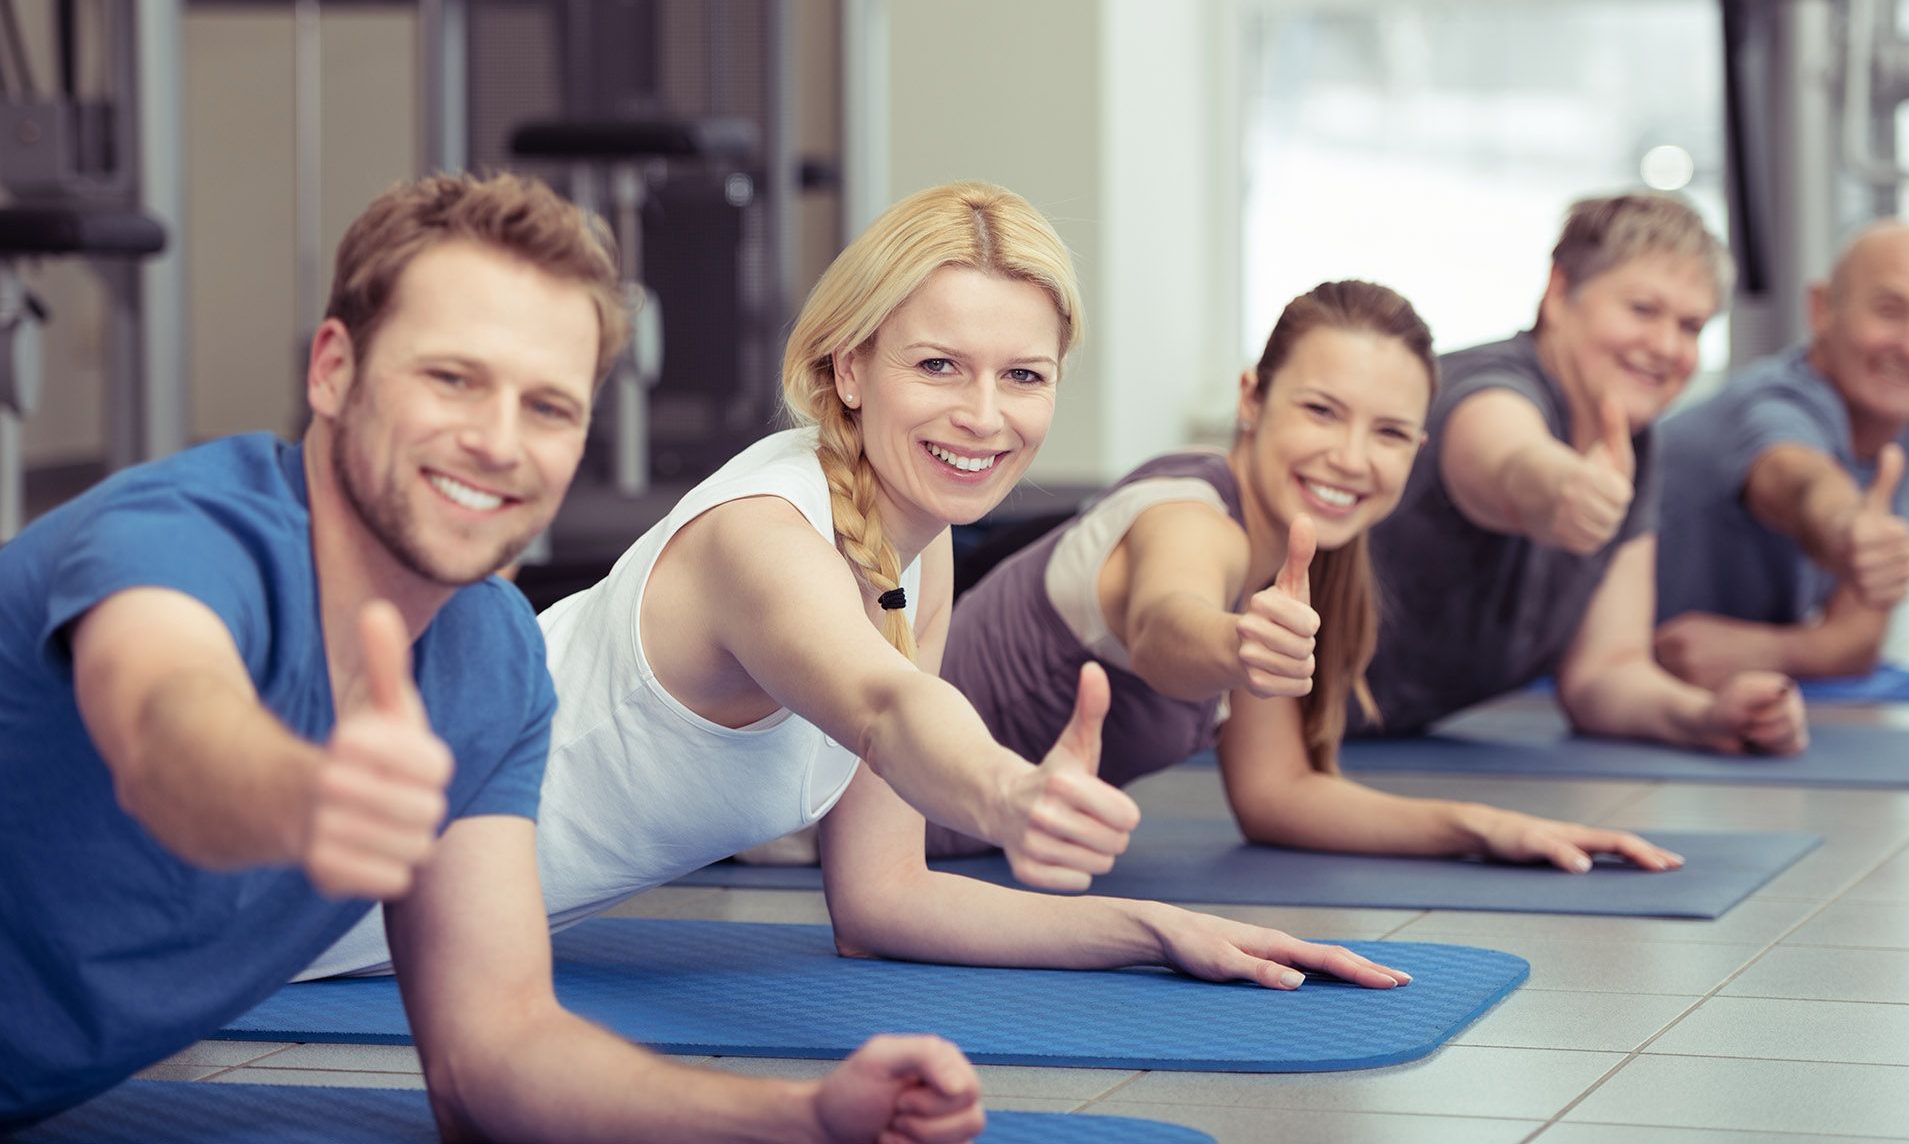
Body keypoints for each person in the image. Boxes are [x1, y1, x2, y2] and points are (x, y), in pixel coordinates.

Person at [0, 173, 986, 1142]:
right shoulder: (186, 538)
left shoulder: (489, 662)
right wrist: (300, 795)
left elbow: (494, 1055)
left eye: (548, 408)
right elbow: (167, 727)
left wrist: (800, 1117)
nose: (497, 443)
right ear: (333, 369)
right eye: (451, 379)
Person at [305, 181, 1412, 995]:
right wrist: (1004, 794)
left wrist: (1156, 929)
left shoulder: (913, 551)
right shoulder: (762, 536)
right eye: (937, 366)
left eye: (1021, 377)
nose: (985, 417)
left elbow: (882, 901)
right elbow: (886, 711)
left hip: (382, 925)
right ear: (848, 368)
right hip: (303, 886)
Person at [932, 279, 1680, 873]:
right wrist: (1234, 645)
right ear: (1252, 398)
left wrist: (1487, 826)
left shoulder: (1290, 562)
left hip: (950, 853)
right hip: (839, 838)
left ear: (1417, 448)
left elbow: (1277, 795)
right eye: (1322, 411)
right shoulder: (1190, 516)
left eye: (1388, 432)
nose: (1353, 458)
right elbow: (1167, 623)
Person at [1358, 193, 1806, 762]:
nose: (1666, 346)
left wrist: (1708, 716)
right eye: (1643, 310)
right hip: (1242, 720)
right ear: (1560, 291)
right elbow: (1504, 459)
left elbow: (1606, 672)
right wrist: (1560, 489)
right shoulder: (1489, 385)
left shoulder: (1633, 443)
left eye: (1690, 326)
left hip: (1365, 746)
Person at [1653, 222, 1909, 687]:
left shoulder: (1897, 421)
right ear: (1822, 309)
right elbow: (1795, 478)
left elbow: (1858, 640)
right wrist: (1845, 529)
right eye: (1889, 311)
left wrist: (1764, 651)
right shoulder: (1774, 405)